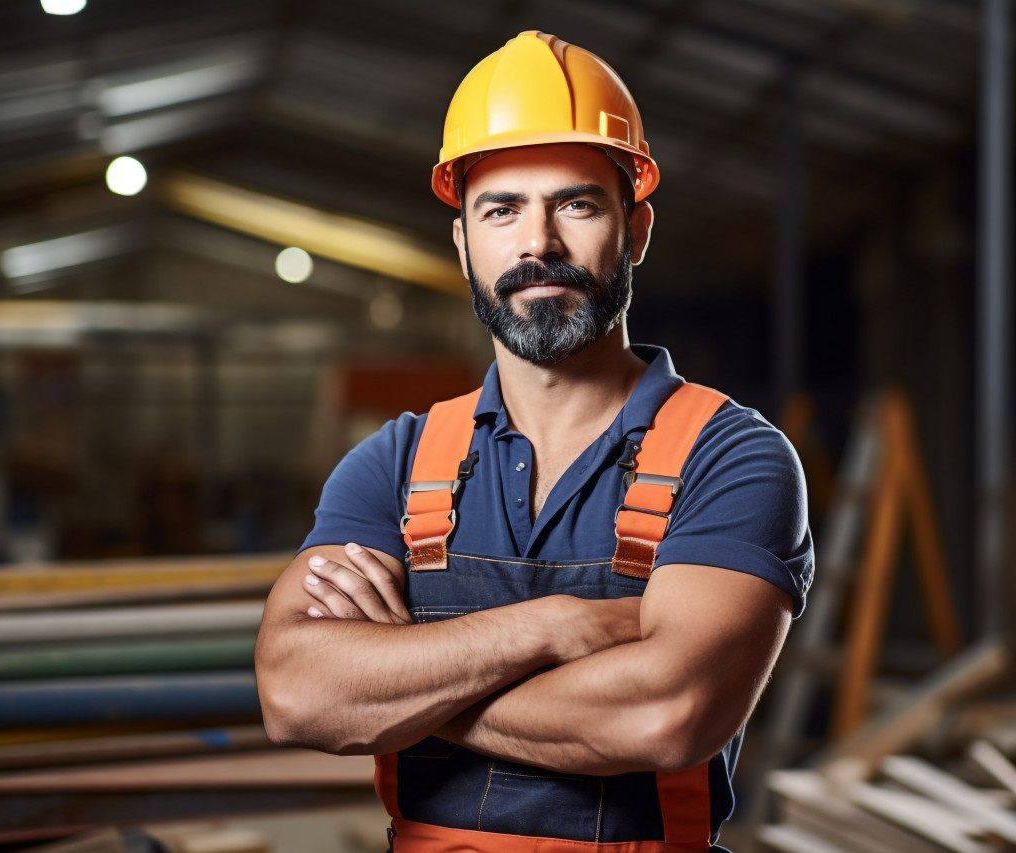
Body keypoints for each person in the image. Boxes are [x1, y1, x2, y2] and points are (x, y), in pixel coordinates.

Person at [255, 30, 814, 852]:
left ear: (638, 229)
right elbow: (297, 692)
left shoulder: (731, 458)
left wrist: (402, 683)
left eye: (577, 203)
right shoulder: (395, 462)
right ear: (463, 243)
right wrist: (552, 627)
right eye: (501, 208)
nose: (538, 243)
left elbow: (667, 713)